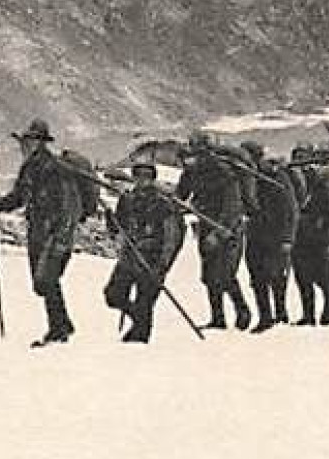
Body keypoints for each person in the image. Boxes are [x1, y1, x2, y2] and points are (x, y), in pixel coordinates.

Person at [0, 119, 83, 347]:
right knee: (43, 283)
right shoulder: (29, 168)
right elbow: (18, 198)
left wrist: (62, 236)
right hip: (37, 231)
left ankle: (58, 330)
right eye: (24, 141)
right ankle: (63, 323)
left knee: (46, 279)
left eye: (29, 140)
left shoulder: (56, 169)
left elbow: (69, 205)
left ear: (40, 142)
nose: (24, 145)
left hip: (55, 233)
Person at [176, 132, 256, 332]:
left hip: (228, 229)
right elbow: (180, 195)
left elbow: (233, 206)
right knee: (209, 275)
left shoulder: (223, 172)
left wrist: (219, 233)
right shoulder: (192, 172)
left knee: (225, 274)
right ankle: (217, 318)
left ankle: (242, 310)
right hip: (205, 226)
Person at [103, 161, 185, 343]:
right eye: (138, 177)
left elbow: (172, 237)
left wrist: (163, 264)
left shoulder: (163, 204)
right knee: (113, 295)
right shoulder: (128, 199)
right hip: (129, 257)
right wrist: (110, 219)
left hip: (152, 259)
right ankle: (138, 319)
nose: (141, 181)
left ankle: (140, 341)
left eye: (146, 177)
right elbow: (118, 229)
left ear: (152, 179)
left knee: (145, 301)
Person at [241, 142, 297, 332]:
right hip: (255, 234)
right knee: (257, 278)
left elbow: (290, 210)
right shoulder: (247, 177)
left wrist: (287, 238)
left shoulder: (276, 177)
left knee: (276, 276)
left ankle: (281, 313)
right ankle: (265, 317)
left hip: (275, 234)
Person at [289, 147, 329, 327]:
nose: (302, 169)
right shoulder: (293, 185)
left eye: (305, 165)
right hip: (300, 239)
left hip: (320, 239)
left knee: (324, 278)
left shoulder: (323, 186)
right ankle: (308, 315)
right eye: (298, 165)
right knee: (303, 280)